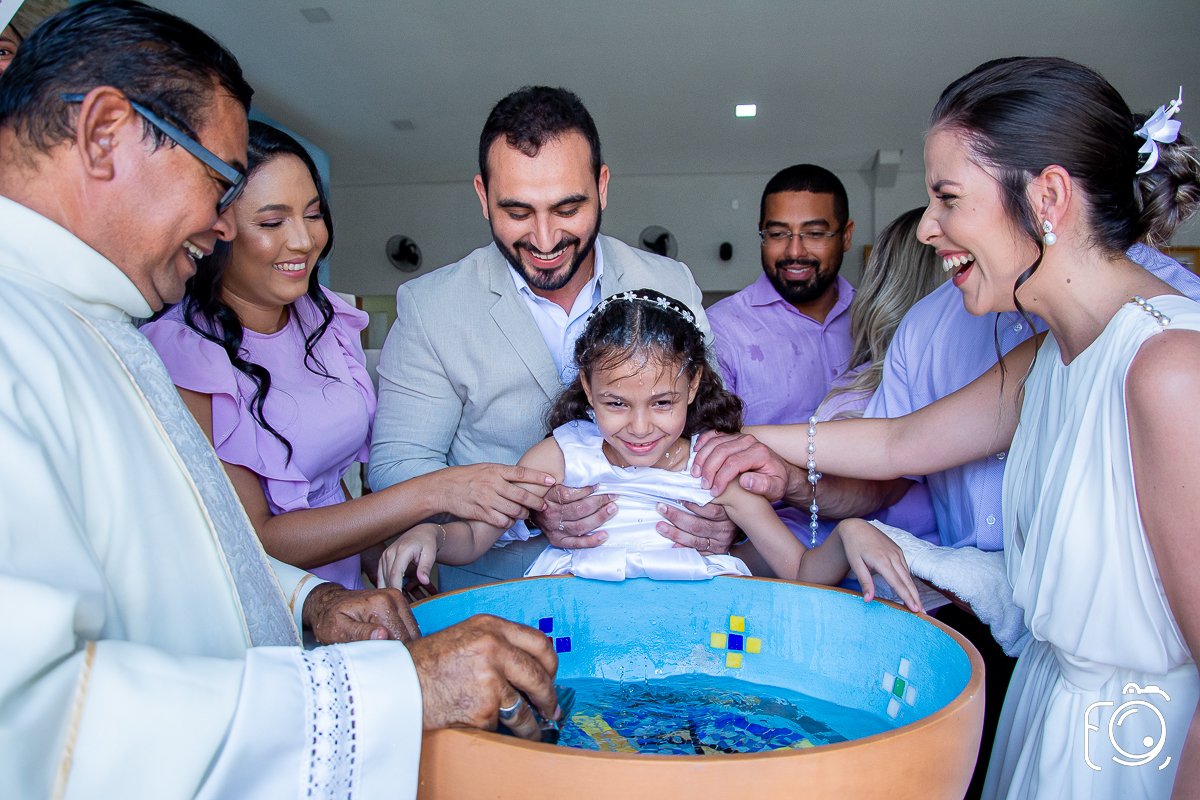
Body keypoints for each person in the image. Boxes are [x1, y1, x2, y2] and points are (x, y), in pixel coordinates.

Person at [0, 4, 557, 798]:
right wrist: (402, 691)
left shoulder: (95, 314)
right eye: (221, 181)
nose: (216, 223)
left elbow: (190, 539)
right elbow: (35, 727)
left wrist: (315, 603)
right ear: (104, 134)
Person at [742, 57, 1200, 799]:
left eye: (947, 198)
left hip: (1134, 746)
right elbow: (899, 443)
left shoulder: (1171, 365)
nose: (927, 229)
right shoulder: (1048, 355)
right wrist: (724, 442)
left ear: (1047, 197)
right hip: (1047, 718)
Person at [143, 121, 555, 591]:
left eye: (313, 214)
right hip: (269, 608)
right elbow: (255, 539)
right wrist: (436, 490)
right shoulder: (185, 355)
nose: (304, 241)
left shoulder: (322, 320)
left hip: (348, 597)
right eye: (272, 222)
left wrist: (385, 572)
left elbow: (329, 485)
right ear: (215, 231)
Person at [368, 86, 737, 590]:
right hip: (498, 589)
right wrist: (526, 510)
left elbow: (707, 423)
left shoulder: (671, 282)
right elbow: (398, 469)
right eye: (518, 212)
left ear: (602, 186)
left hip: (665, 583)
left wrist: (727, 514)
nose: (544, 240)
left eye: (567, 209)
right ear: (483, 196)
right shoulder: (430, 307)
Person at [379, 290, 923, 611]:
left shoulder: (716, 468)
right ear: (588, 391)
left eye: (663, 402)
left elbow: (800, 572)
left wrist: (849, 534)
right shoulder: (560, 457)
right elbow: (476, 538)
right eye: (616, 402)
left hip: (702, 637)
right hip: (578, 631)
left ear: (692, 388)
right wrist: (431, 532)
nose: (640, 427)